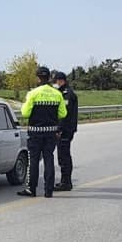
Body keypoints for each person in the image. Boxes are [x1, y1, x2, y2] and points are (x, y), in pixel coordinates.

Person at [18, 66, 67, 198]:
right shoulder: (57, 94)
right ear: (49, 77)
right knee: (49, 159)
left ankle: (31, 189)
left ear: (38, 78)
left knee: (33, 161)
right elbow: (63, 113)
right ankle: (48, 191)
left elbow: (25, 113)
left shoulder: (33, 93)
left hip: (35, 133)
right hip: (51, 133)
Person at [53, 72, 79, 191]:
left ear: (61, 81)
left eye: (56, 81)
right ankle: (65, 181)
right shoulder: (63, 92)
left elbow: (64, 114)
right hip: (66, 129)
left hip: (65, 130)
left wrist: (59, 129)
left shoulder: (67, 94)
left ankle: (66, 182)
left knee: (64, 156)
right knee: (63, 155)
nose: (55, 84)